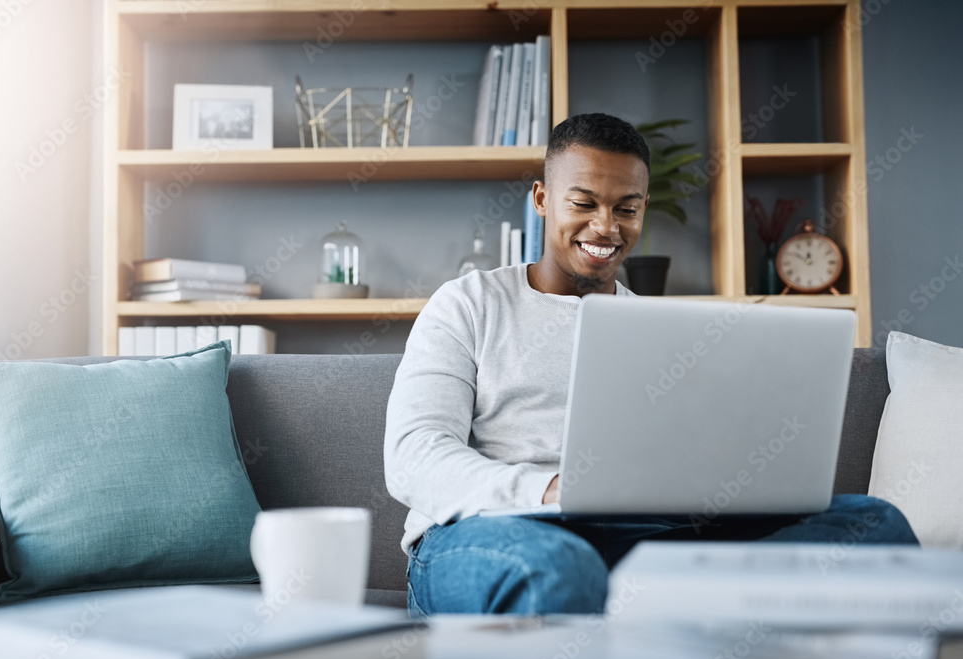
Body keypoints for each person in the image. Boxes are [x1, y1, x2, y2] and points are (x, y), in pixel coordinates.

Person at [383, 112, 918, 617]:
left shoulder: (658, 330)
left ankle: (675, 606)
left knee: (873, 524)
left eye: (626, 209)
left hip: (639, 535)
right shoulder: (469, 302)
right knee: (555, 566)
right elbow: (413, 456)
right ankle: (684, 603)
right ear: (542, 199)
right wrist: (548, 491)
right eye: (584, 203)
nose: (606, 227)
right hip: (488, 533)